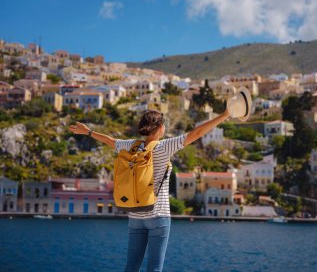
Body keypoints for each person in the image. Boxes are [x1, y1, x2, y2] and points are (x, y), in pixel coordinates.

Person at [69, 108, 230, 272]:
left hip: (135, 215)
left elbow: (110, 141)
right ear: (160, 128)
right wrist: (224, 115)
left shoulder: (131, 146)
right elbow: (197, 133)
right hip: (158, 215)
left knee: (131, 267)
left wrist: (88, 132)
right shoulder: (164, 147)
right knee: (154, 268)